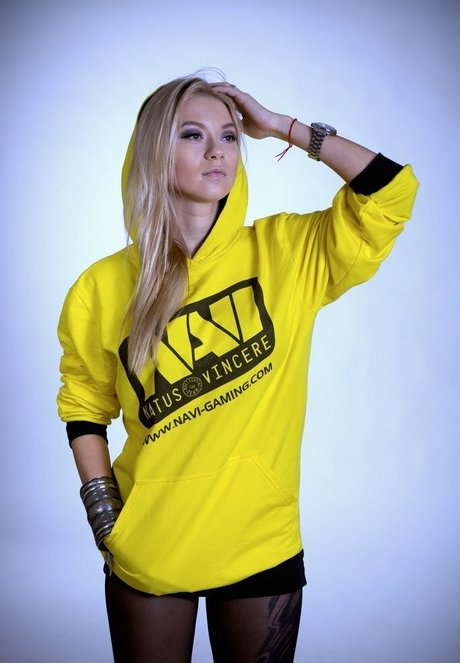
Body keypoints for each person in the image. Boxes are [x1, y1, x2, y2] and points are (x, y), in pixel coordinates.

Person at [57, 72, 418, 662]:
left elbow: (392, 192)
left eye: (228, 135)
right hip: (151, 542)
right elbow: (84, 408)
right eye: (192, 135)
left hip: (260, 542)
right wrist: (105, 519)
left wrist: (282, 127)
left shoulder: (287, 252)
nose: (217, 150)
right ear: (155, 151)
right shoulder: (100, 288)